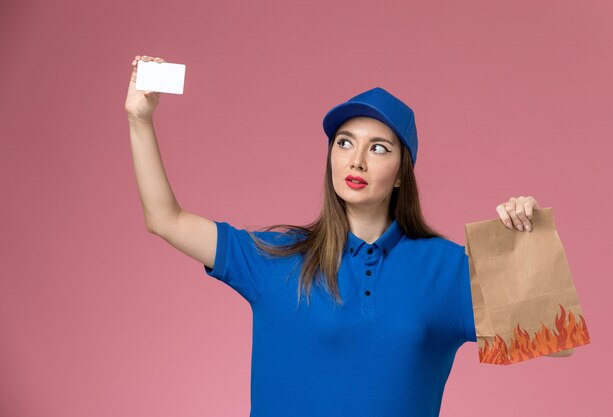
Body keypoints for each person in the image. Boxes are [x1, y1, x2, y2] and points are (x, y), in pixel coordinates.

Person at [126, 55, 571, 417]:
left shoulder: (447, 269)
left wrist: (528, 243)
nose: (356, 159)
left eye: (378, 147)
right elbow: (165, 219)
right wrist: (139, 120)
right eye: (344, 142)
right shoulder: (276, 258)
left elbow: (557, 342)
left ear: (401, 173)